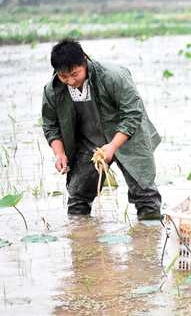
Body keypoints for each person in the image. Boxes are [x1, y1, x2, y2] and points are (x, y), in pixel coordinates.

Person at [41, 39, 162, 220]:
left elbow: (133, 114)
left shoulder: (113, 76)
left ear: (84, 60)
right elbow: (50, 124)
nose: (71, 81)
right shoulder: (53, 90)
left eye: (75, 74)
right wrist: (60, 154)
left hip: (127, 137)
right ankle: (83, 242)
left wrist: (112, 146)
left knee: (145, 196)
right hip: (90, 142)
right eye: (64, 76)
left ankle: (147, 243)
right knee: (77, 199)